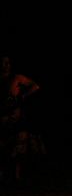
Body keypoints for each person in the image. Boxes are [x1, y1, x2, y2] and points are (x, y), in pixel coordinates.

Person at [0, 55, 45, 184]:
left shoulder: (16, 78)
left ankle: (17, 176)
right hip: (2, 118)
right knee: (2, 146)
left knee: (19, 145)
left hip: (15, 117)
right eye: (3, 63)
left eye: (7, 63)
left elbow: (35, 86)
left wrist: (23, 96)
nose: (5, 66)